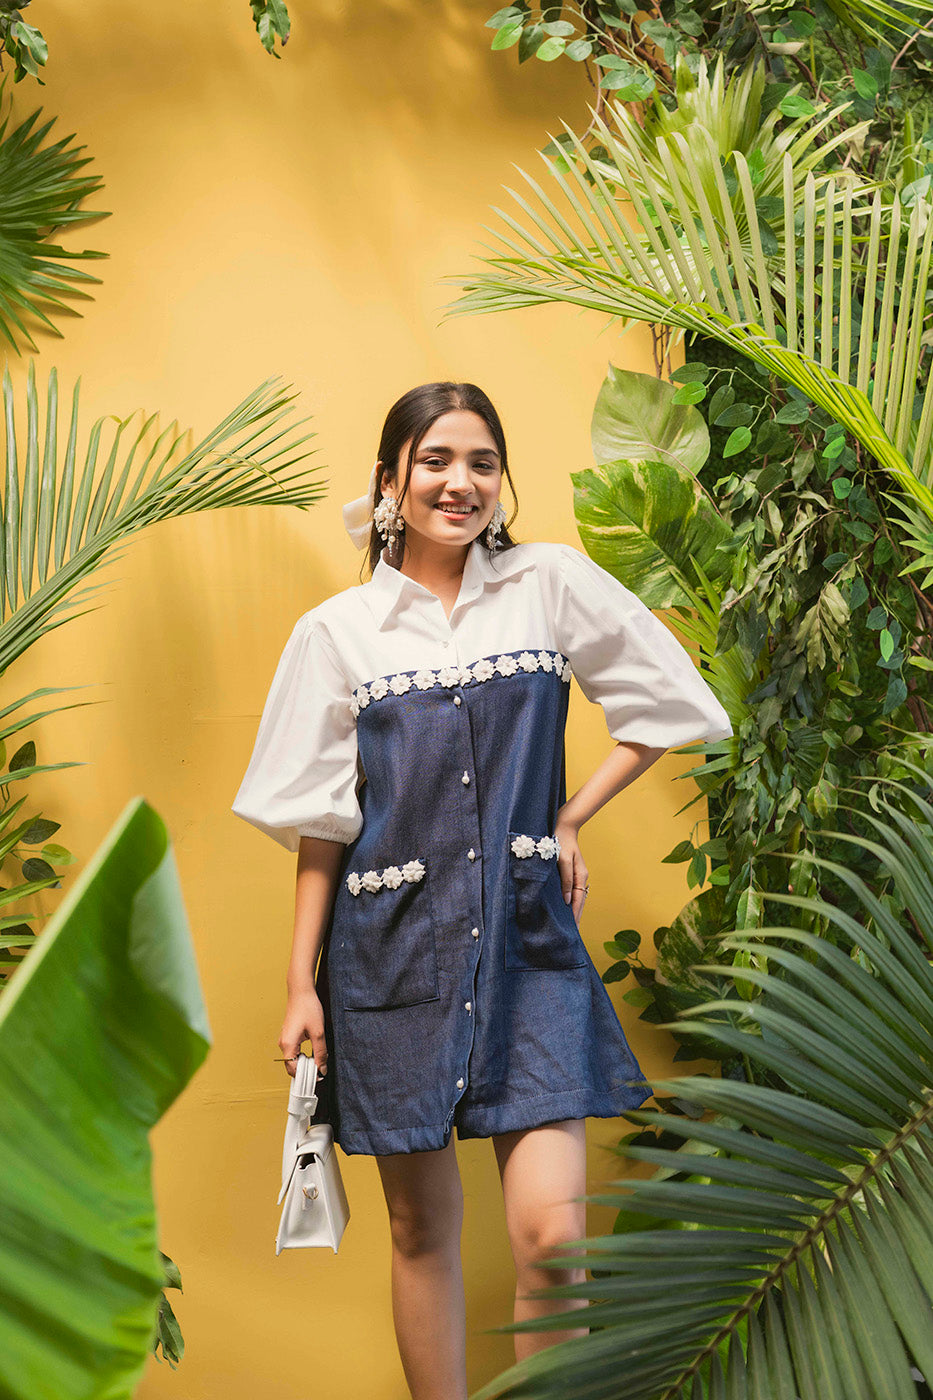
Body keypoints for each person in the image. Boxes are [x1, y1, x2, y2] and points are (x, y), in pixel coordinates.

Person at [231, 381, 734, 1399]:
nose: (460, 482)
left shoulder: (549, 584)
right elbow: (322, 824)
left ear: (502, 481)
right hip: (390, 955)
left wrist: (571, 815)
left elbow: (668, 699)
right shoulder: (339, 632)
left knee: (552, 1238)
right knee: (421, 1228)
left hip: (528, 944)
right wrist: (300, 982)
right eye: (435, 460)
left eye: (482, 462)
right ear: (389, 481)